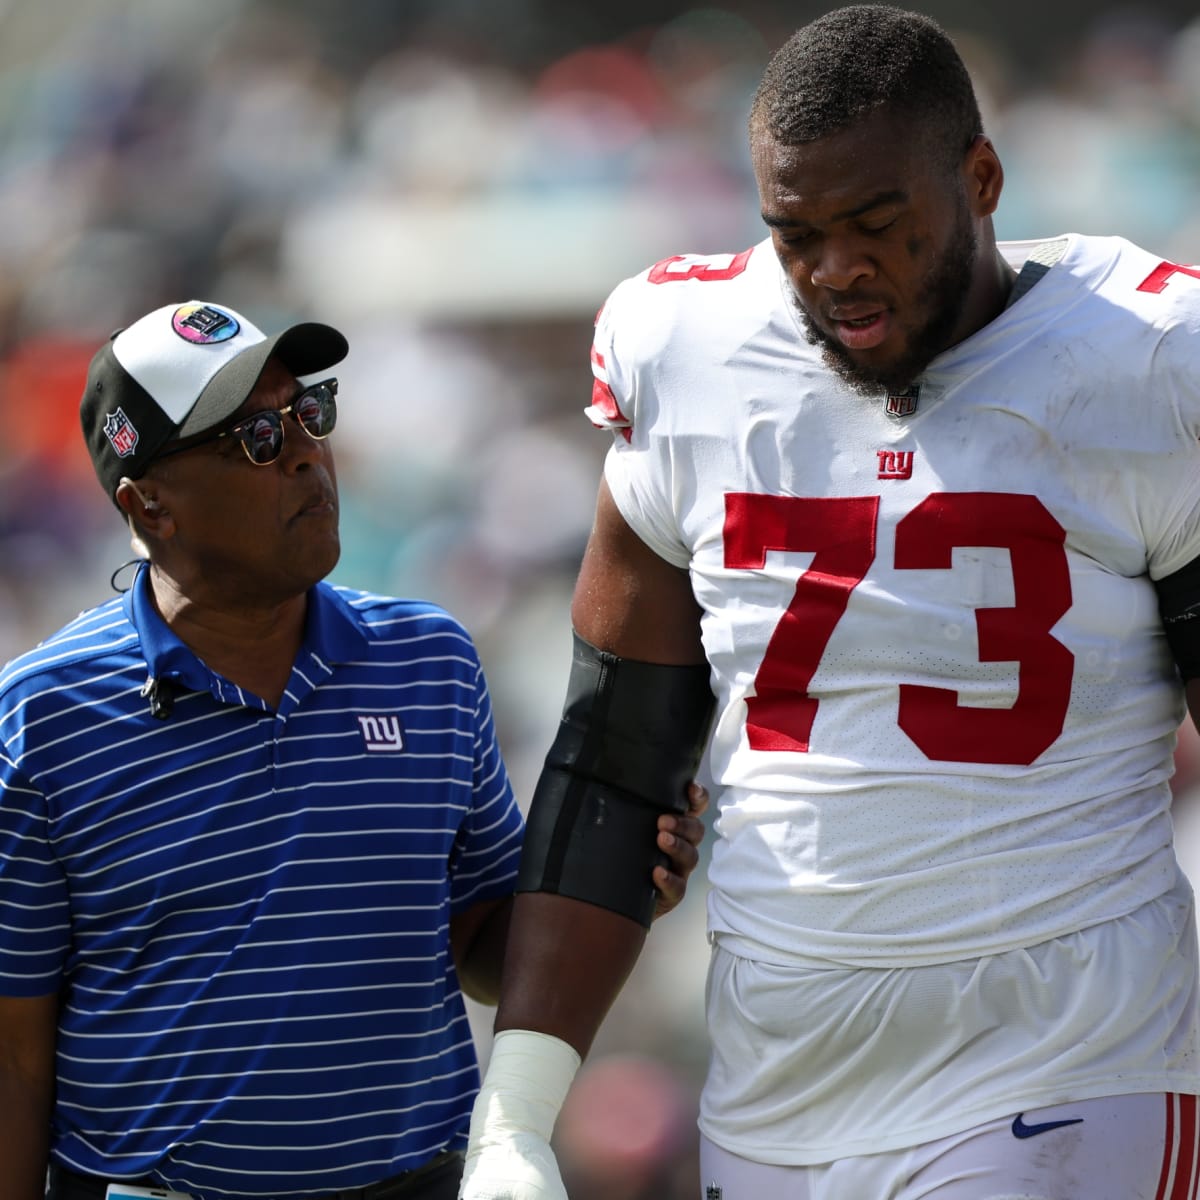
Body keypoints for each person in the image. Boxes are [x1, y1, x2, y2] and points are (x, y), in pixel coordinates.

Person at [458, 6, 1200, 1199]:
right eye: (796, 235)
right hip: (779, 1072)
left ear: (982, 177)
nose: (834, 272)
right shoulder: (687, 348)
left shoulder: (1151, 358)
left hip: (1068, 1046)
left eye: (875, 226)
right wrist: (519, 1121)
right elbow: (614, 762)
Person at [0, 299, 707, 1200]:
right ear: (151, 506)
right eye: (255, 437)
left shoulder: (428, 660)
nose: (304, 452)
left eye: (307, 412)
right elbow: (14, 1057)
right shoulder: (47, 712)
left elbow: (481, 944)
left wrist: (617, 871)